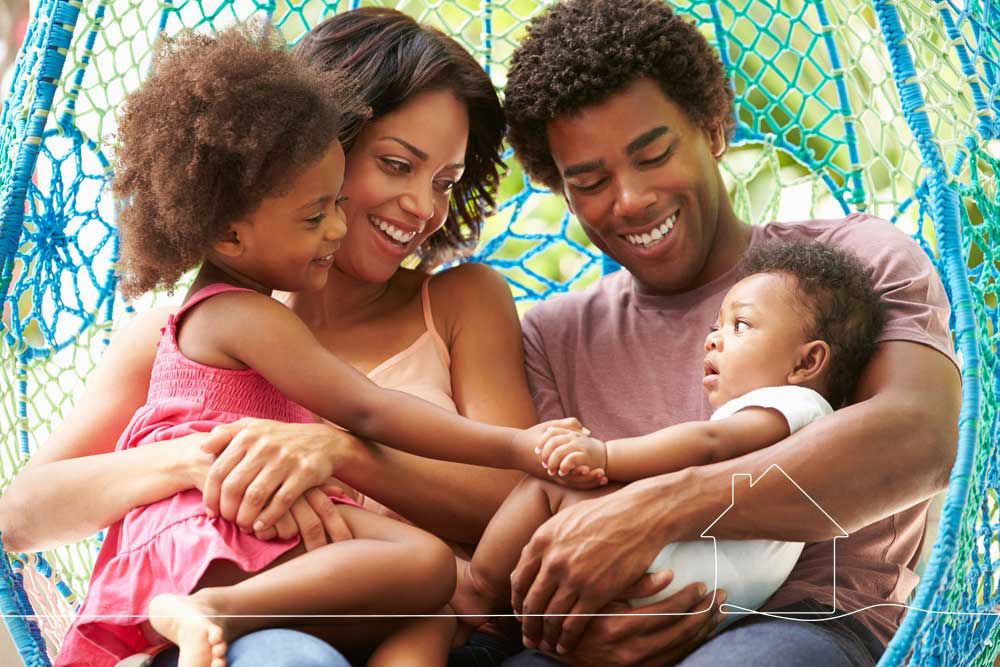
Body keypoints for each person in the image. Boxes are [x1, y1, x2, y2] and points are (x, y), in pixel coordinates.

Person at [0, 8, 541, 667]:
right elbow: (20, 514)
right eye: (397, 164)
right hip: (232, 635)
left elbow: (507, 499)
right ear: (317, 148)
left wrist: (336, 451)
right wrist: (200, 460)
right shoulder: (180, 334)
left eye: (444, 183)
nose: (424, 207)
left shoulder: (460, 302)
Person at [448, 0, 961, 665]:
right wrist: (574, 630)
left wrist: (669, 503)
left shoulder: (852, 262)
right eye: (590, 180)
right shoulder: (552, 335)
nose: (629, 199)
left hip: (811, 621)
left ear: (712, 129)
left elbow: (919, 435)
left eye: (653, 153)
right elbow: (546, 522)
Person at [450, 240, 885, 645]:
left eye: (741, 325)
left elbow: (708, 443)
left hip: (679, 577)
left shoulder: (794, 404)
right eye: (717, 326)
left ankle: (475, 590)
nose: (713, 338)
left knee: (550, 486)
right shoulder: (793, 420)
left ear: (807, 361)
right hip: (702, 593)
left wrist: (605, 455)